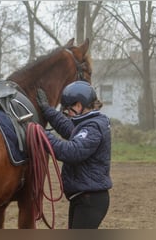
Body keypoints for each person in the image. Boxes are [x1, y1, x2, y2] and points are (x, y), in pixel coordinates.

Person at [36, 80, 112, 229]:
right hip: (84, 197)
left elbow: (71, 151)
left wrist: (40, 133)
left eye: (68, 109)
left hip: (90, 200)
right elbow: (68, 128)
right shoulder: (90, 122)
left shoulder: (93, 127)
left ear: (78, 105)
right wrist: (47, 110)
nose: (67, 113)